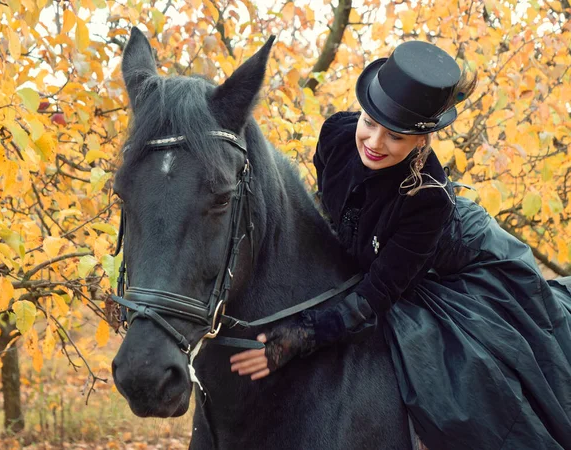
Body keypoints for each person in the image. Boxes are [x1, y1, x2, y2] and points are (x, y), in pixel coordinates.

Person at [229, 41, 571, 449]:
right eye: (370, 122)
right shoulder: (337, 134)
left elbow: (377, 293)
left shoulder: (427, 197)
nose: (374, 142)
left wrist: (301, 337)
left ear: (421, 143)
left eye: (395, 136)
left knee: (470, 381)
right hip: (377, 246)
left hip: (447, 261)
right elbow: (333, 206)